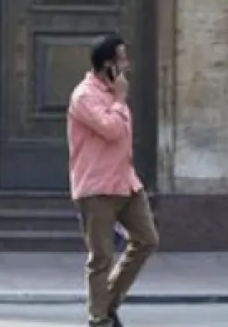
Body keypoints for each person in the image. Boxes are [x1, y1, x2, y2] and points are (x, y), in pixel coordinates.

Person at [67, 34, 159, 327]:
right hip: (97, 187)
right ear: (108, 64)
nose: (127, 65)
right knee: (101, 257)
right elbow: (111, 130)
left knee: (147, 240)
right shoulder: (84, 96)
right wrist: (119, 100)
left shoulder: (112, 93)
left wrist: (117, 98)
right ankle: (99, 319)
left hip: (126, 182)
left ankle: (106, 304)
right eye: (121, 59)